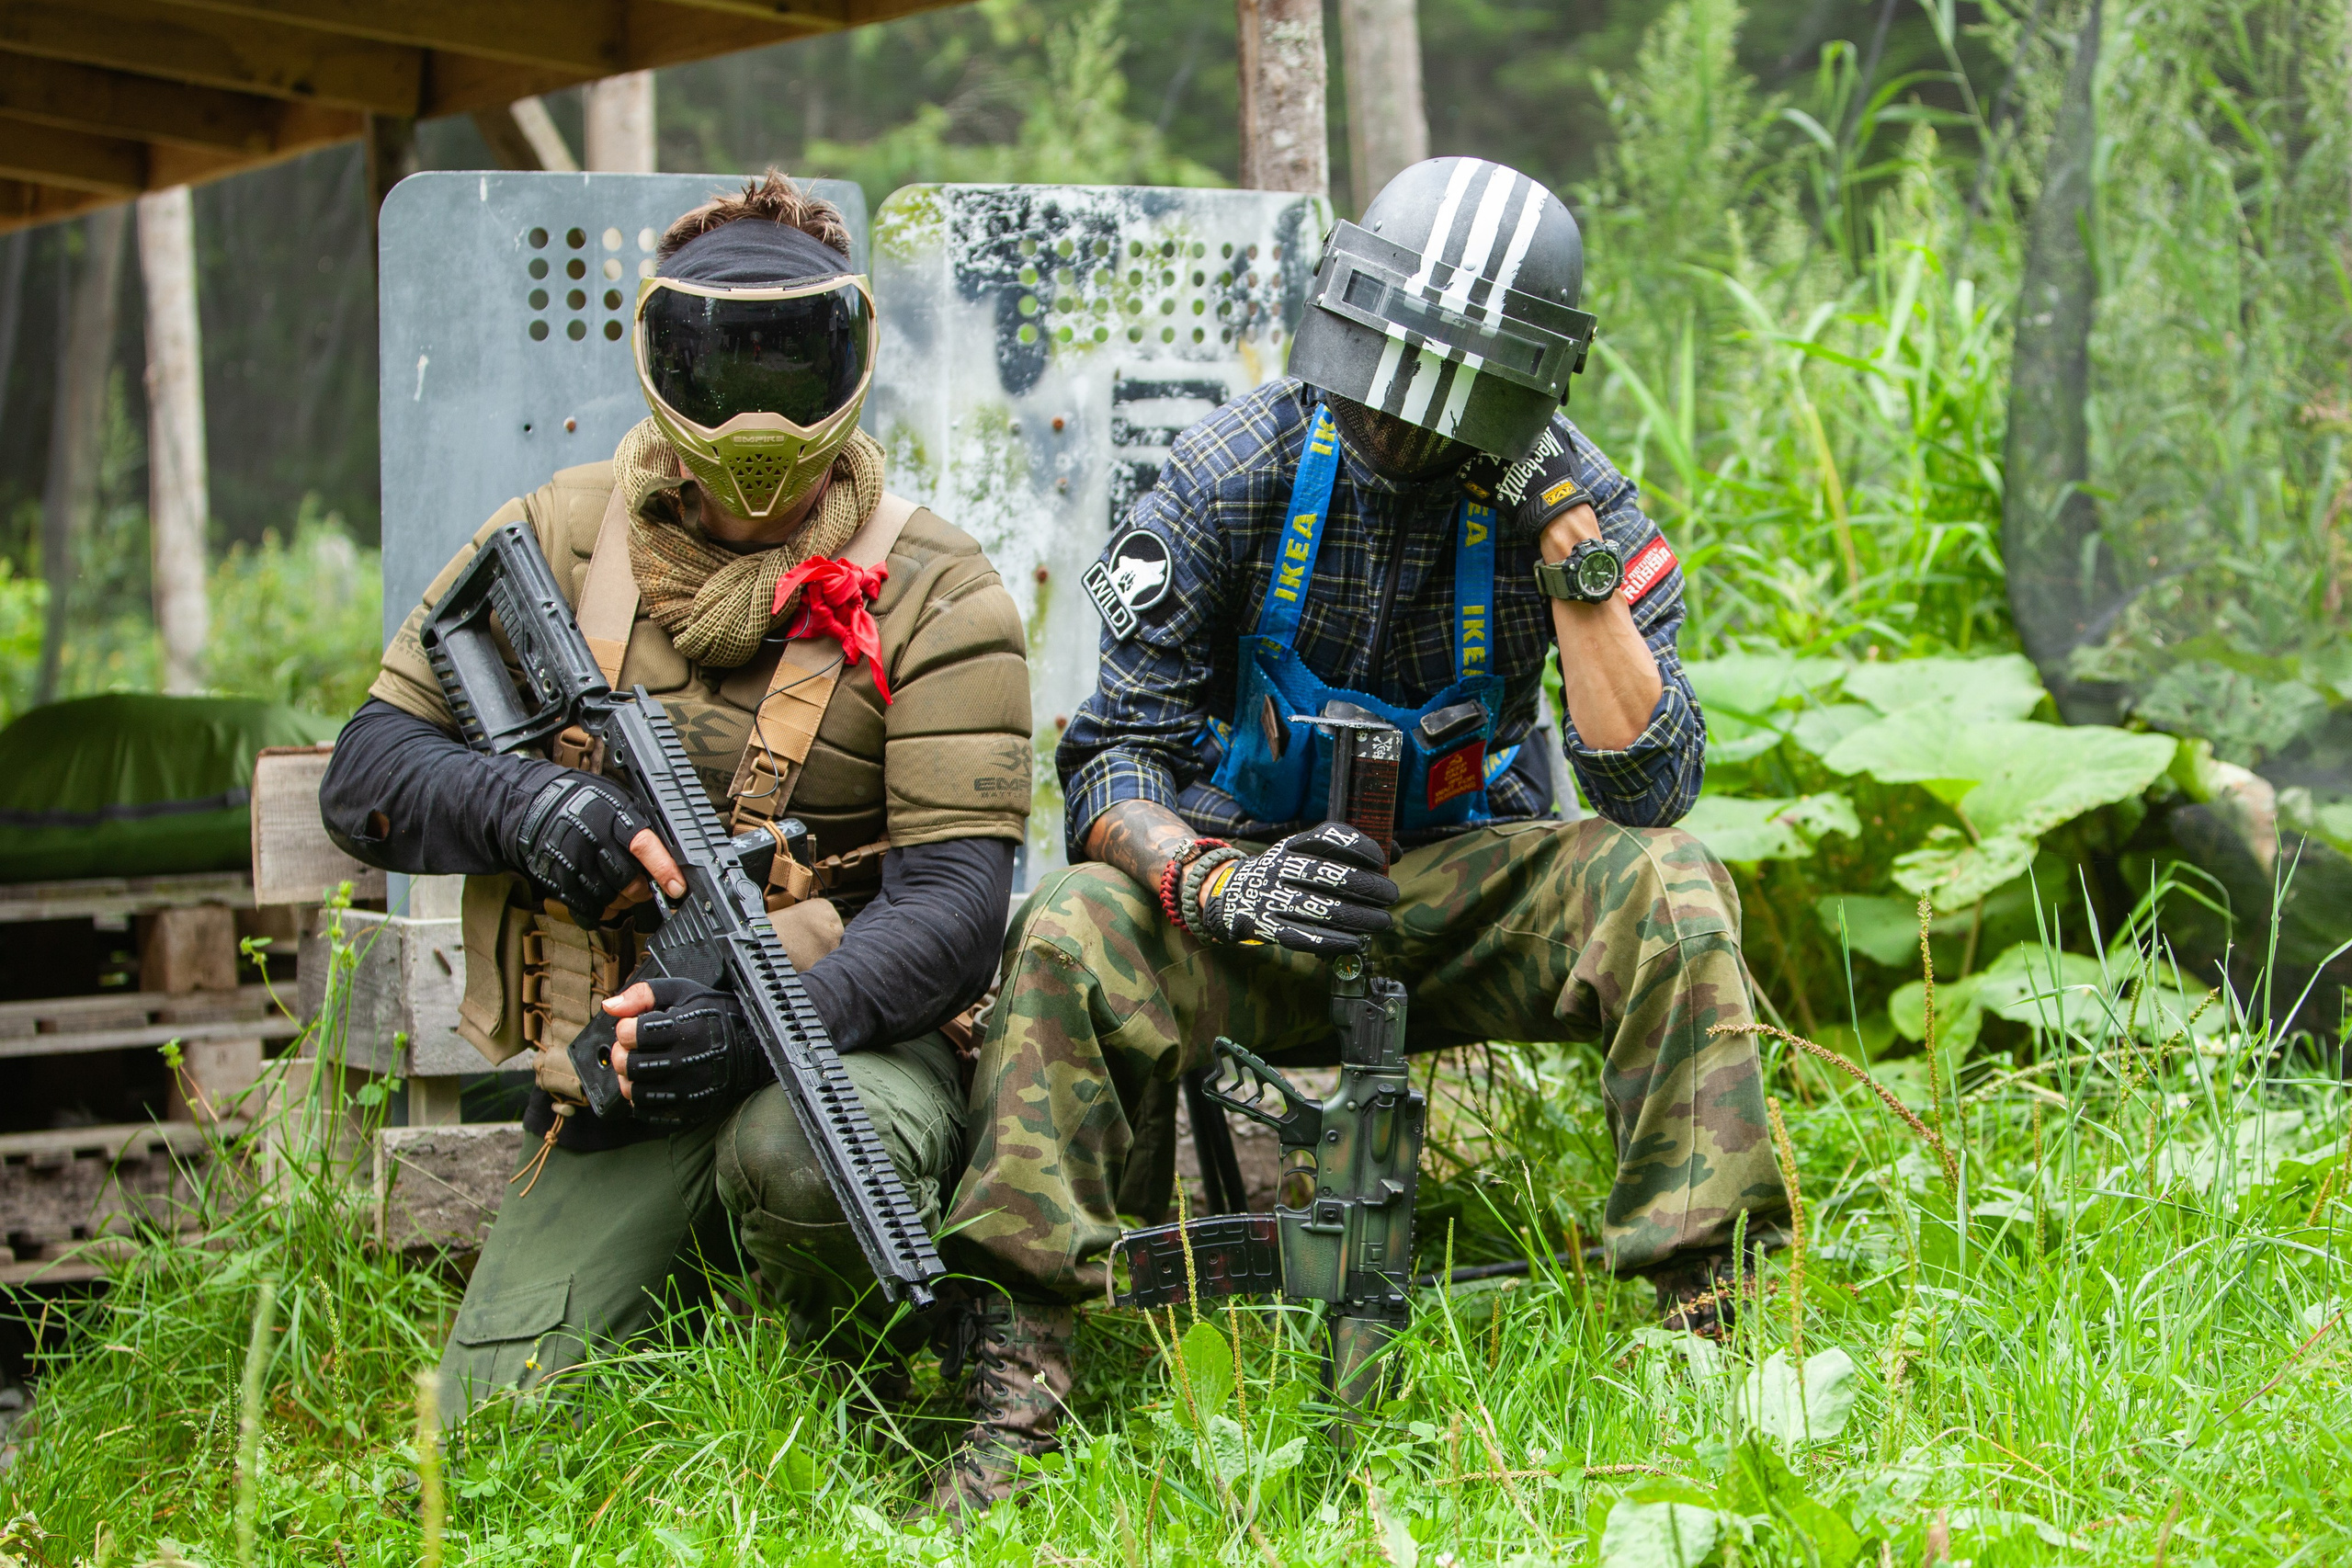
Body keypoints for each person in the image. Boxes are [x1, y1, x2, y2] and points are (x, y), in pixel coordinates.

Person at [926, 156, 1792, 1510]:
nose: (1389, 412)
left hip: (1458, 908)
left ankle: (1719, 1345)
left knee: (1671, 887)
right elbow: (1110, 762)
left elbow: (1649, 788)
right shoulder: (1232, 473)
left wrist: (1569, 554)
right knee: (1068, 926)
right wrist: (1216, 880)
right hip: (1242, 909)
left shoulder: (1577, 508)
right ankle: (1017, 1393)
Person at [318, 173, 1034, 1438]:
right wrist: (528, 804)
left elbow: (956, 908)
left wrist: (758, 1032)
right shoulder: (558, 536)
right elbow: (366, 774)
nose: (758, 414)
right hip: (617, 1073)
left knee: (802, 1159)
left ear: (851, 360)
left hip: (847, 1052)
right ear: (662, 360)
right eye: (723, 364)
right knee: (494, 1437)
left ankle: (857, 1394)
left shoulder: (937, 588)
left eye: (793, 364)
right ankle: (695, 1296)